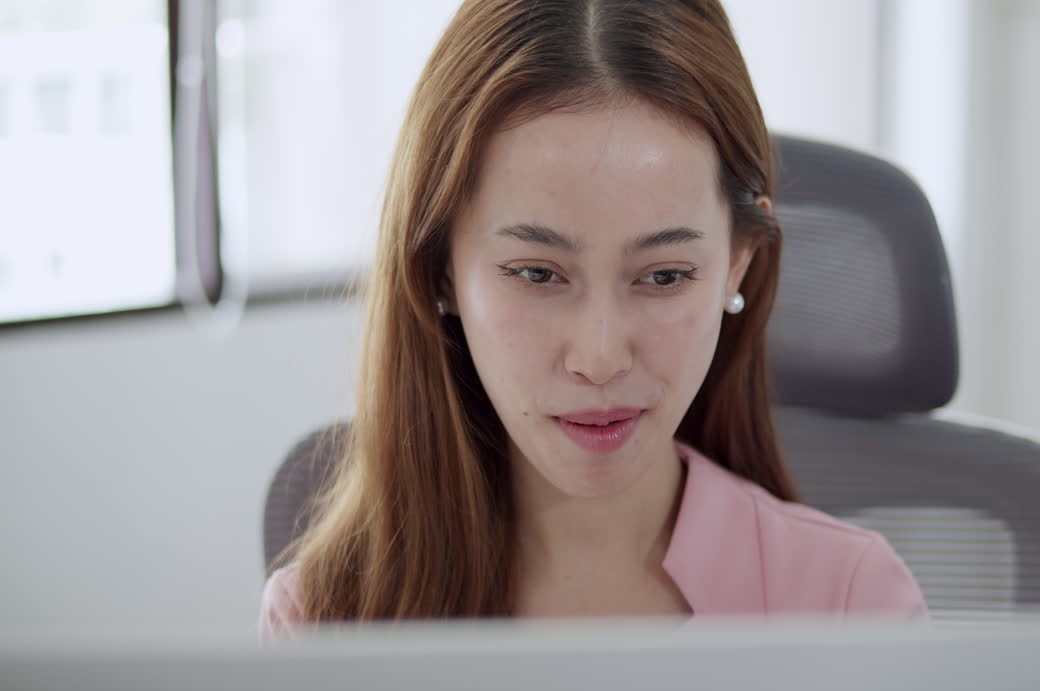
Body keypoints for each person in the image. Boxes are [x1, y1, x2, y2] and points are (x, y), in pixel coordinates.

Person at [260, 0, 926, 640]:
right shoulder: (325, 622)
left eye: (665, 276)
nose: (601, 357)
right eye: (537, 274)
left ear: (736, 264)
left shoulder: (851, 605)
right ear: (440, 271)